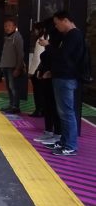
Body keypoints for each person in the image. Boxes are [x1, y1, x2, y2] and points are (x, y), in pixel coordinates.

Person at [43, 10, 85, 156]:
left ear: (65, 20)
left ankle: (71, 145)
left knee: (66, 112)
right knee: (64, 112)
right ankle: (65, 141)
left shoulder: (74, 36)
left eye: (57, 23)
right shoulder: (69, 36)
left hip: (66, 78)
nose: (56, 27)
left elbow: (63, 56)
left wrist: (48, 45)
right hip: (62, 76)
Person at [33, 24, 61, 145]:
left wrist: (48, 45)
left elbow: (58, 59)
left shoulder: (56, 46)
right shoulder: (51, 46)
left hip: (53, 79)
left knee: (55, 107)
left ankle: (57, 134)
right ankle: (49, 131)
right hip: (46, 77)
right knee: (48, 106)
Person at [0, 17, 25, 114]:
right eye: (5, 26)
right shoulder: (7, 37)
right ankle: (11, 104)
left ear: (14, 27)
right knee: (9, 87)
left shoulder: (17, 37)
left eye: (9, 26)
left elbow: (20, 54)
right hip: (6, 66)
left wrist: (18, 68)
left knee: (13, 87)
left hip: (13, 67)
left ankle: (15, 106)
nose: (7, 28)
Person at [27, 22, 45, 117]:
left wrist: (31, 72)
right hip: (44, 71)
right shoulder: (49, 38)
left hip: (38, 71)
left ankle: (38, 110)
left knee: (38, 92)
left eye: (35, 29)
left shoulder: (40, 40)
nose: (34, 32)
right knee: (43, 92)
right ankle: (43, 110)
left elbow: (37, 58)